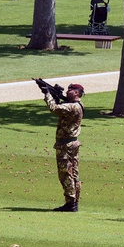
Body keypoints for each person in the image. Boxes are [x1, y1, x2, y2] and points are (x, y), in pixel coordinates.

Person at [42, 83, 84, 212]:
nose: (68, 91)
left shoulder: (72, 106)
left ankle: (70, 203)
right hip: (71, 144)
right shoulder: (76, 105)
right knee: (73, 173)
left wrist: (48, 94)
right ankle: (73, 202)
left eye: (71, 90)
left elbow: (54, 108)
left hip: (66, 145)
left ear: (77, 93)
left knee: (66, 173)